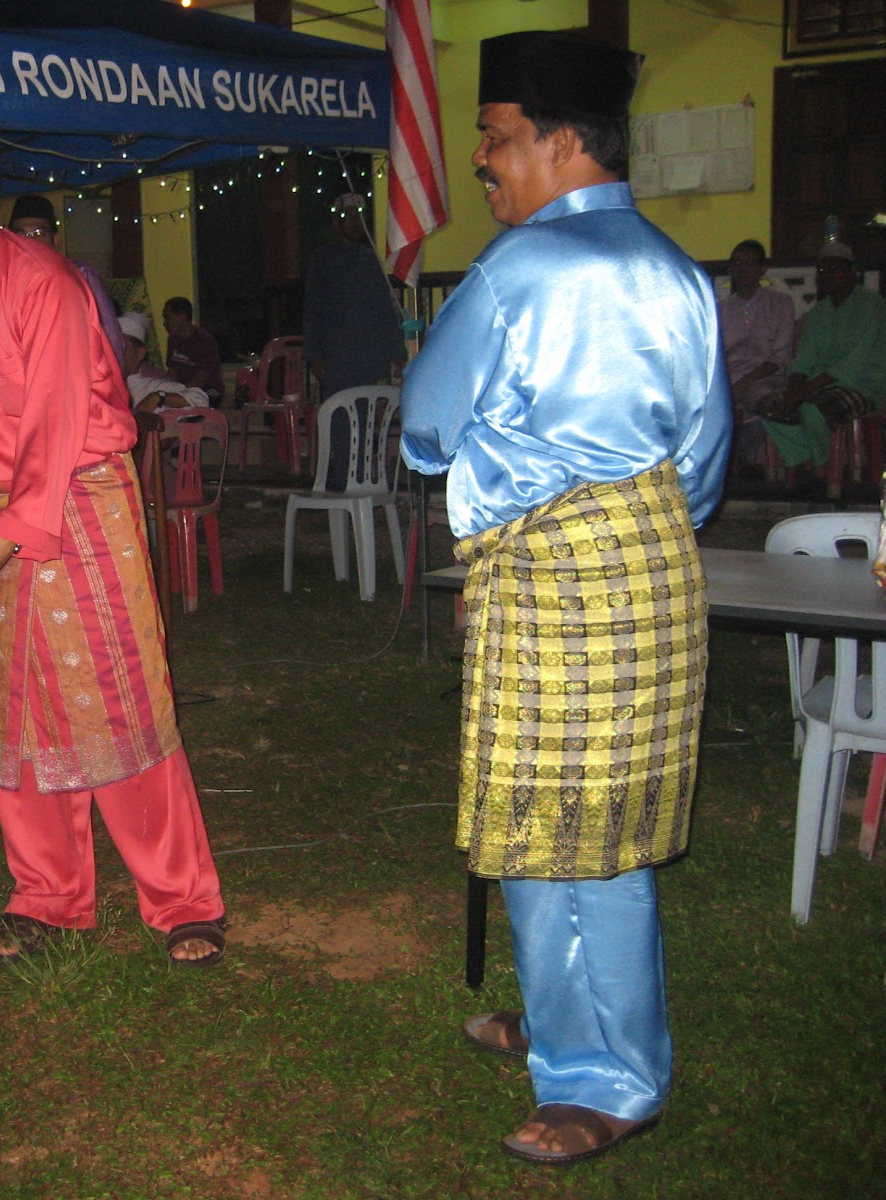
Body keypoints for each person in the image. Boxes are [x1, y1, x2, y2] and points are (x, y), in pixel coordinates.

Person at [400, 32, 730, 1166]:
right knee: (609, 825)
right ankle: (568, 1022)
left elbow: (426, 431)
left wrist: (518, 480)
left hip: (549, 575)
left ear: (562, 142)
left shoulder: (517, 273)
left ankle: (608, 1077)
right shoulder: (682, 276)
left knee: (549, 829)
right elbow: (706, 466)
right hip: (651, 568)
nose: (484, 163)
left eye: (496, 140)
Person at [0, 99, 227, 966]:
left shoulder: (43, 281)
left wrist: (8, 536)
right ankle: (49, 896)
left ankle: (180, 901)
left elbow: (59, 419)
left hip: (78, 503)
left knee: (116, 702)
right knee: (13, 714)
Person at [763, 242, 886, 470]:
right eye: (822, 270)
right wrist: (793, 391)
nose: (828, 275)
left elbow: (852, 364)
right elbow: (804, 359)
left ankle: (824, 469)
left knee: (811, 409)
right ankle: (806, 461)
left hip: (865, 385)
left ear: (852, 272)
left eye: (835, 268)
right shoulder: (819, 312)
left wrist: (801, 394)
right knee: (771, 408)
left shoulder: (872, 305)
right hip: (819, 384)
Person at [302, 193, 408, 395]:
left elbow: (384, 307)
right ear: (337, 222)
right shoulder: (322, 260)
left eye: (359, 217)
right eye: (349, 217)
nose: (355, 223)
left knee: (369, 416)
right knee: (339, 416)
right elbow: (312, 310)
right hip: (336, 359)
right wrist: (314, 356)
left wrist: (397, 351)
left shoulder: (370, 259)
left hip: (371, 356)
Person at [7, 193, 127, 370]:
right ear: (9, 240)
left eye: (39, 233)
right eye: (21, 234)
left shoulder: (81, 277)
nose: (30, 241)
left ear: (55, 240)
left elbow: (112, 348)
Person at [718, 238, 794, 465]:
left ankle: (754, 463)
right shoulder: (721, 309)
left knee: (763, 401)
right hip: (729, 380)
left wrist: (745, 382)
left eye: (750, 263)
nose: (742, 269)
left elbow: (780, 355)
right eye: (738, 263)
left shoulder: (780, 304)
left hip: (765, 378)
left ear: (762, 269)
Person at [118, 311, 210, 413]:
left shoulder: (152, 387)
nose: (113, 353)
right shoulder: (103, 384)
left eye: (120, 348)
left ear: (139, 353)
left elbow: (200, 399)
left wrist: (158, 398)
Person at [161, 295, 224, 401]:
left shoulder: (204, 340)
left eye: (168, 317)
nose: (165, 323)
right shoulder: (173, 339)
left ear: (182, 317)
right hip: (184, 389)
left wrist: (179, 394)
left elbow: (200, 377)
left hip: (207, 390)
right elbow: (172, 370)